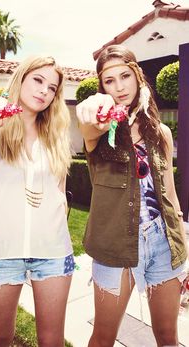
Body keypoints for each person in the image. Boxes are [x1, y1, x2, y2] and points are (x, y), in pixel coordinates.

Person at [76, 44, 189, 347]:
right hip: (115, 244)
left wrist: (183, 242)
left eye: (124, 76)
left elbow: (170, 193)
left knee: (168, 337)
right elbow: (87, 121)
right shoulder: (98, 130)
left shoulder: (161, 133)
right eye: (109, 81)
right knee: (103, 338)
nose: (119, 86)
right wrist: (91, 111)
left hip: (164, 241)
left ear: (138, 76)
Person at [0, 55, 74, 347]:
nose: (44, 90)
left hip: (53, 253)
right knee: (0, 339)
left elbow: (61, 192)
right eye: (38, 80)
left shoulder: (56, 135)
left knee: (51, 341)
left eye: (52, 87)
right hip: (2, 254)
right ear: (22, 78)